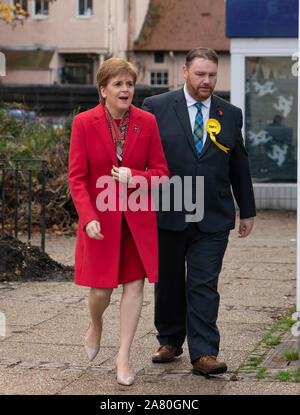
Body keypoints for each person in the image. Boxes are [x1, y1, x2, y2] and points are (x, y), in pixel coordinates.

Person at [142, 47, 256, 376]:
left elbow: (239, 164)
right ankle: (170, 338)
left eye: (212, 75)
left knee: (204, 283)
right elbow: (143, 158)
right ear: (185, 72)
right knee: (169, 281)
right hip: (169, 209)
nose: (206, 81)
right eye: (200, 74)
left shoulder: (230, 114)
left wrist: (246, 210)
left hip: (214, 214)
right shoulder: (156, 108)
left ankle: (204, 352)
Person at [68, 57, 169, 386]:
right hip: (100, 222)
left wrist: (134, 176)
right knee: (100, 292)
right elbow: (78, 178)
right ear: (103, 90)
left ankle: (123, 356)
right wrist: (87, 218)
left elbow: (162, 175)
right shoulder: (84, 123)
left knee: (135, 288)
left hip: (137, 223)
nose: (125, 89)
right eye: (118, 84)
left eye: (129, 84)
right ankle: (95, 324)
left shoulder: (147, 122)